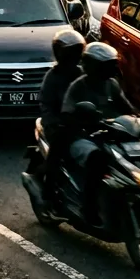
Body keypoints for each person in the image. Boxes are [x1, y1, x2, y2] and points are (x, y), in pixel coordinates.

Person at [61, 42, 134, 224]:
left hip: (107, 135)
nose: (112, 70)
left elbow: (126, 108)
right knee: (97, 160)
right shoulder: (78, 86)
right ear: (93, 66)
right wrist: (86, 121)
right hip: (82, 137)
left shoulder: (111, 85)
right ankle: (89, 208)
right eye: (107, 66)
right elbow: (67, 114)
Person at [37, 31, 86, 204]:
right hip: (58, 125)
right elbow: (46, 104)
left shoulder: (82, 74)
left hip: (81, 123)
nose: (74, 58)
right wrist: (55, 123)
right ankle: (48, 189)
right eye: (71, 54)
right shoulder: (53, 77)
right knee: (59, 147)